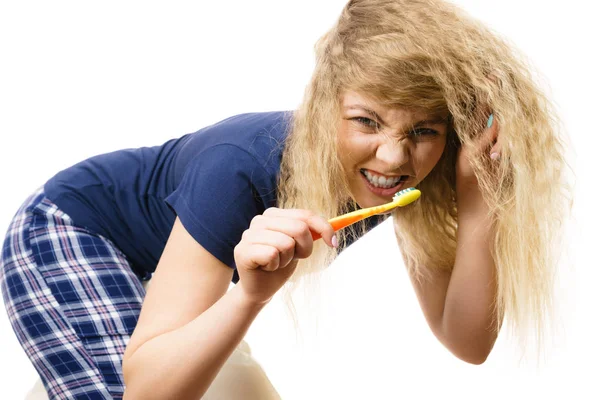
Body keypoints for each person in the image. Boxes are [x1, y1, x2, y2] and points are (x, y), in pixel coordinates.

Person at [0, 0, 571, 398]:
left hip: (169, 273)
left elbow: (466, 341)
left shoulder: (403, 177)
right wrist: (248, 297)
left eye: (423, 130)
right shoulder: (242, 168)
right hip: (69, 230)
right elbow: (149, 392)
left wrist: (481, 201)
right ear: (324, 107)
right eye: (365, 120)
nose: (394, 159)